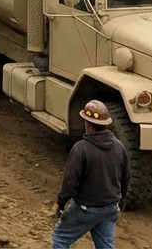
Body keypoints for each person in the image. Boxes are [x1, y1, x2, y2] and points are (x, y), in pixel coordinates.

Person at [52, 100, 130, 249]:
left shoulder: (81, 148)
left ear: (87, 124)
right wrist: (121, 199)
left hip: (86, 208)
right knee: (106, 246)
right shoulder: (119, 147)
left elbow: (70, 182)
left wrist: (61, 203)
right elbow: (126, 177)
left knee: (60, 237)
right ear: (106, 124)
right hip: (110, 207)